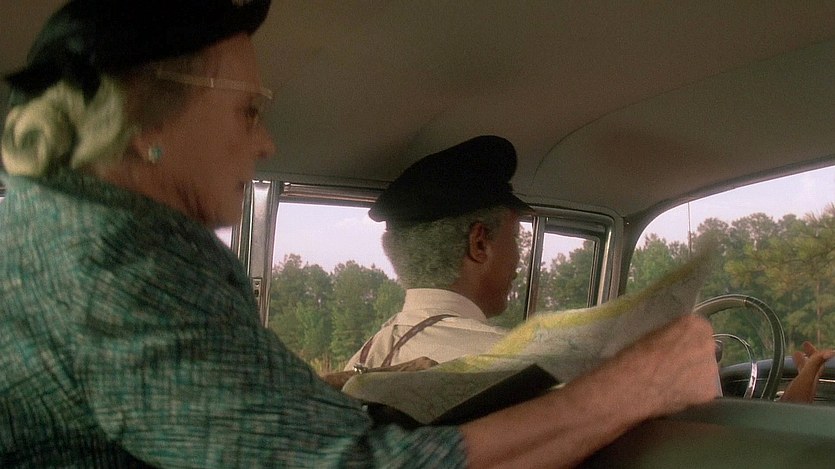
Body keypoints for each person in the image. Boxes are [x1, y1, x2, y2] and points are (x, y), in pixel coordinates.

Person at [0, 1, 719, 467]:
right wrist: (634, 387)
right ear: (139, 117)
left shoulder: (60, 232)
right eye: (250, 111)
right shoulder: (120, 259)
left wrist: (332, 385)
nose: (265, 143)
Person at [344, 136, 530, 370]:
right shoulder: (513, 362)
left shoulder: (363, 358)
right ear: (479, 243)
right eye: (515, 237)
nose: (518, 259)